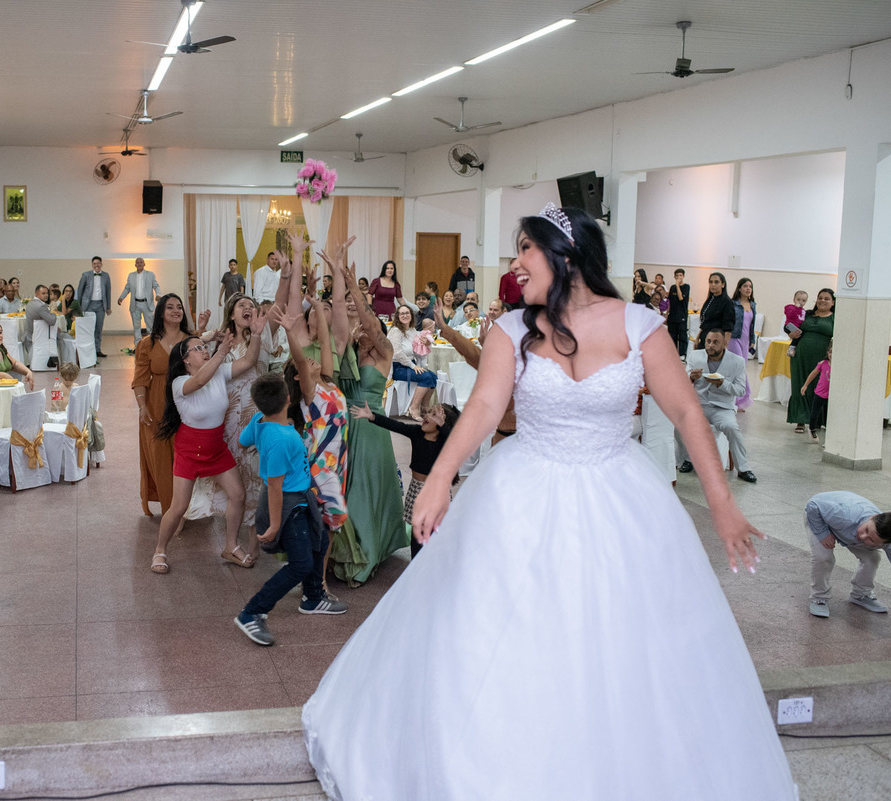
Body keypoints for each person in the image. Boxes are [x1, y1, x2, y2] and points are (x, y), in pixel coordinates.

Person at [302, 204, 795, 800]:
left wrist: (721, 503)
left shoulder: (639, 324)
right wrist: (439, 477)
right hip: (523, 492)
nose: (515, 263)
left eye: (525, 249)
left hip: (621, 498)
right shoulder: (511, 329)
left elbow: (688, 410)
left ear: (565, 255)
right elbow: (484, 407)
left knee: (621, 640)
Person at [234, 372, 343, 646]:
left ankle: (313, 597)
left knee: (318, 542)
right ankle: (252, 612)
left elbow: (243, 441)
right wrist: (273, 524)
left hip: (300, 497)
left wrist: (268, 425)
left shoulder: (260, 422)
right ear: (288, 399)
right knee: (301, 564)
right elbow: (274, 486)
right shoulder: (285, 440)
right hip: (289, 503)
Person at [319, 253, 408, 586]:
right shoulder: (350, 352)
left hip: (371, 426)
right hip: (343, 425)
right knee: (344, 489)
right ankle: (341, 549)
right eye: (363, 330)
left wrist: (354, 287)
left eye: (371, 328)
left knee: (364, 490)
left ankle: (365, 553)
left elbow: (369, 321)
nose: (366, 331)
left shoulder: (384, 351)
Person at [150, 316, 264, 575]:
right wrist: (221, 350)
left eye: (204, 347)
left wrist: (255, 336)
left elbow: (248, 361)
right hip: (189, 450)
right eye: (197, 349)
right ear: (185, 360)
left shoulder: (219, 373)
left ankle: (231, 546)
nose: (203, 351)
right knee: (178, 507)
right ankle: (160, 549)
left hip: (215, 448)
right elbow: (199, 381)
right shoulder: (180, 383)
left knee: (238, 495)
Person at [271, 297, 348, 599]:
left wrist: (318, 306)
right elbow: (302, 360)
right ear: (297, 376)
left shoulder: (327, 382)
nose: (313, 360)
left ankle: (314, 583)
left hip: (336, 464)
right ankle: (315, 587)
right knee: (325, 526)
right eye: (304, 365)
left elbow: (325, 346)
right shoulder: (310, 394)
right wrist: (291, 331)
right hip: (319, 466)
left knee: (325, 528)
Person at [184, 294, 267, 562]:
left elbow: (252, 361)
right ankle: (230, 541)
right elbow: (192, 358)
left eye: (251, 306)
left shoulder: (262, 337)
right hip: (227, 423)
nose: (248, 309)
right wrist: (205, 333)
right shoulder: (219, 344)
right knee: (235, 485)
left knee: (256, 482)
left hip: (254, 420)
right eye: (242, 305)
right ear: (231, 313)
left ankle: (250, 547)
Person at [350, 401, 459, 558]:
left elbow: (454, 443)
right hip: (416, 489)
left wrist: (442, 426)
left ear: (443, 423)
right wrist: (372, 416)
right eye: (428, 412)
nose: (427, 415)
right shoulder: (417, 433)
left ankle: (432, 562)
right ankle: (416, 563)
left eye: (433, 414)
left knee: (432, 532)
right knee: (417, 532)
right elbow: (396, 425)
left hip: (434, 493)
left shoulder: (444, 443)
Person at [133, 294, 194, 517]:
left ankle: (187, 508)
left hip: (187, 407)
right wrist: (142, 406)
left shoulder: (190, 340)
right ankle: (170, 510)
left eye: (179, 307)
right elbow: (140, 379)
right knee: (160, 459)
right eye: (170, 307)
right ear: (161, 313)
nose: (176, 310)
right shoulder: (147, 344)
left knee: (185, 458)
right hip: (157, 406)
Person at [676, 328, 757, 483]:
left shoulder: (737, 361)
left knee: (732, 428)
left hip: (723, 408)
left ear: (724, 344)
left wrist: (722, 383)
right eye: (708, 341)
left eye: (715, 342)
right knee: (679, 425)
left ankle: (743, 468)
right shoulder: (695, 356)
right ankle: (689, 459)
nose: (710, 346)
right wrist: (690, 378)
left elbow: (740, 390)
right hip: (699, 405)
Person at [806, 491, 891, 619]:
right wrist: (822, 533)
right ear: (872, 517)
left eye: (872, 540)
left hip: (847, 529)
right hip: (820, 518)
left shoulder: (887, 541)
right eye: (867, 530)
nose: (863, 537)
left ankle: (860, 595)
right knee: (823, 557)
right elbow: (813, 505)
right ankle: (819, 598)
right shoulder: (844, 514)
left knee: (872, 558)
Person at [787, 288, 834, 434]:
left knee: (819, 387)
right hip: (800, 357)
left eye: (827, 298)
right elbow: (791, 325)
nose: (822, 301)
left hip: (822, 359)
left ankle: (817, 420)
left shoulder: (835, 318)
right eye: (820, 298)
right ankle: (800, 420)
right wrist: (791, 333)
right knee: (800, 385)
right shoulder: (806, 314)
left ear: (833, 302)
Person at [388, 304, 437, 421]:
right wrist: (413, 366)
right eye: (402, 313)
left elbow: (417, 352)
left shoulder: (412, 331)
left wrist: (426, 344)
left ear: (411, 315)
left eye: (407, 313)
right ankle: (413, 408)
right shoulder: (396, 331)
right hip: (398, 367)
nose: (405, 315)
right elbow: (397, 353)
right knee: (425, 377)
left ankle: (424, 407)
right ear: (398, 316)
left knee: (433, 377)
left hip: (410, 364)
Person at [728, 277, 756, 410]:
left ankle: (739, 399)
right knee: (739, 367)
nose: (748, 288)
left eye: (750, 286)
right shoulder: (733, 304)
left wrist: (752, 340)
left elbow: (752, 325)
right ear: (739, 288)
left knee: (741, 368)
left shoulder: (753, 305)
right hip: (734, 338)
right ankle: (740, 398)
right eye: (745, 286)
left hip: (746, 340)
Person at [118, 257, 161, 345]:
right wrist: (121, 297)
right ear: (135, 265)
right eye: (137, 262)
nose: (139, 263)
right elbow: (127, 288)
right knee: (136, 326)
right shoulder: (131, 275)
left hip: (147, 303)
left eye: (141, 262)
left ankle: (152, 344)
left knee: (150, 326)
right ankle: (137, 346)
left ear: (144, 264)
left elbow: (156, 286)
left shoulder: (150, 274)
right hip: (135, 304)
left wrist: (158, 294)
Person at [24, 284, 71, 365]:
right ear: (36, 294)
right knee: (60, 335)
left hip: (30, 335)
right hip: (40, 337)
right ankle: (62, 360)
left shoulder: (29, 304)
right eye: (43, 293)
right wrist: (53, 313)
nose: (46, 295)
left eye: (47, 293)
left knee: (57, 330)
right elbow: (52, 321)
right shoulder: (40, 306)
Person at [76, 256, 112, 358]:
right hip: (89, 305)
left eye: (98, 263)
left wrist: (108, 307)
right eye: (94, 263)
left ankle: (97, 350)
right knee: (89, 329)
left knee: (98, 328)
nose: (96, 265)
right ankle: (89, 351)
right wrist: (79, 307)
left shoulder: (106, 276)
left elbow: (108, 292)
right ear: (92, 265)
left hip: (101, 305)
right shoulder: (86, 275)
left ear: (101, 264)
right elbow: (80, 290)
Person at [801, 340, 831, 442]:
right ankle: (812, 429)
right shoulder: (823, 364)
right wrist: (805, 385)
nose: (831, 354)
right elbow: (813, 374)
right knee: (815, 412)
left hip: (831, 395)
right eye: (830, 352)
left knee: (831, 414)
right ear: (827, 353)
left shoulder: (839, 366)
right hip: (820, 393)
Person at [696, 272, 734, 351]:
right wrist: (697, 338)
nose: (713, 284)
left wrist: (724, 347)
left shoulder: (727, 302)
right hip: (704, 340)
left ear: (723, 284)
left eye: (716, 282)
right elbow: (705, 323)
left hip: (716, 343)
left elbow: (728, 328)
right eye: (711, 282)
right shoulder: (710, 300)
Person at [666, 267, 690, 358]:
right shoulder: (672, 288)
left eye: (680, 275)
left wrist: (677, 285)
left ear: (683, 276)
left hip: (682, 315)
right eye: (677, 276)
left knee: (682, 335)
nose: (679, 277)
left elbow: (681, 298)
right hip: (672, 315)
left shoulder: (686, 287)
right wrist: (666, 314)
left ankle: (682, 354)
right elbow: (670, 302)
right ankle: (672, 353)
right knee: (672, 335)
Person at [783, 289, 809, 357]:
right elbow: (790, 315)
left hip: (797, 327)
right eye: (798, 299)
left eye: (803, 301)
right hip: (789, 325)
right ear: (794, 299)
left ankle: (794, 348)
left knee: (800, 334)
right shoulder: (790, 307)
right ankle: (791, 348)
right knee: (798, 333)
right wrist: (796, 308)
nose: (800, 302)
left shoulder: (803, 311)